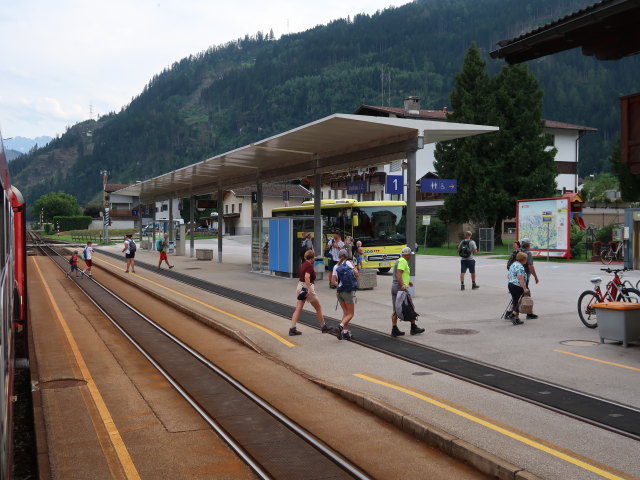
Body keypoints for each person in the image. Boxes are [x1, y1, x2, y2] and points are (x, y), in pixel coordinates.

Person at [288, 249, 333, 336]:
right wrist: (309, 289)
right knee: (318, 308)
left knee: (298, 308)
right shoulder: (309, 265)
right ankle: (323, 327)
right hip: (306, 288)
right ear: (312, 258)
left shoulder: (303, 264)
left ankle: (292, 328)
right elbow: (307, 277)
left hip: (299, 287)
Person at [390, 247, 425, 337]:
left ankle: (394, 329)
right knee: (410, 306)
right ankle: (413, 328)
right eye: (410, 254)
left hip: (394, 287)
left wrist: (407, 281)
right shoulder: (403, 261)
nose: (410, 256)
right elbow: (399, 273)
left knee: (396, 309)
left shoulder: (399, 260)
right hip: (400, 288)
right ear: (407, 254)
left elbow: (401, 274)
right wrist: (403, 284)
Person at [332, 249, 358, 340]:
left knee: (346, 313)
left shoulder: (336, 266)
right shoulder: (349, 263)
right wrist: (354, 266)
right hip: (348, 292)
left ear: (339, 256)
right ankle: (340, 327)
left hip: (339, 292)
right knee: (350, 314)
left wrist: (339, 285)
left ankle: (345, 332)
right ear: (346, 256)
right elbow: (357, 274)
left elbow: (333, 281)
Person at [507, 251, 529, 325]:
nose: (526, 261)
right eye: (526, 259)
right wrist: (524, 288)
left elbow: (508, 275)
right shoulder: (520, 267)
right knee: (520, 302)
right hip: (517, 286)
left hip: (510, 284)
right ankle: (512, 315)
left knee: (515, 301)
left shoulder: (513, 264)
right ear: (523, 259)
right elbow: (520, 278)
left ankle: (517, 318)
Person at [520, 238, 539, 319]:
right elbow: (530, 266)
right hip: (524, 277)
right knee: (526, 294)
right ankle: (528, 313)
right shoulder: (528, 253)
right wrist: (535, 277)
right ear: (528, 245)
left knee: (518, 295)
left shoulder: (518, 251)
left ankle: (512, 312)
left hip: (516, 277)